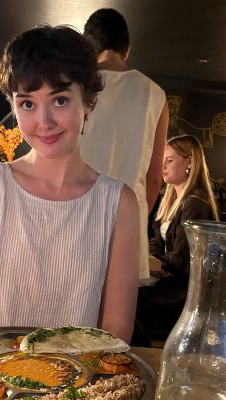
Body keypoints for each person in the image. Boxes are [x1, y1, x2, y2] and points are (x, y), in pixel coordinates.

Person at [0, 25, 140, 343]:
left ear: (88, 100)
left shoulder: (119, 203)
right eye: (28, 104)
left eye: (60, 100)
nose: (44, 122)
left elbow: (115, 331)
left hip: (80, 374)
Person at [80, 8, 169, 280]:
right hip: (128, 220)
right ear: (127, 50)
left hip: (75, 216)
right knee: (118, 304)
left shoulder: (74, 86)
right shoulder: (155, 94)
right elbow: (154, 178)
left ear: (88, 48)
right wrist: (135, 215)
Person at [135, 134, 219, 342]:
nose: (162, 166)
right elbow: (155, 241)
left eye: (170, 160)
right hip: (168, 279)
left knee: (128, 299)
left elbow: (180, 262)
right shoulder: (171, 199)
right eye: (162, 160)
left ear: (190, 161)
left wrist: (154, 262)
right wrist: (153, 260)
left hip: (182, 292)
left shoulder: (195, 204)